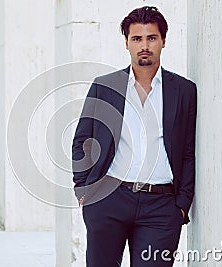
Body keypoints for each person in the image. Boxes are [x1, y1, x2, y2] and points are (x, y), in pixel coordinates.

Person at [72, 6, 197, 267]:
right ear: (126, 43)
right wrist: (84, 190)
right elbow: (82, 139)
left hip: (161, 207)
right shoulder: (105, 86)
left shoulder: (184, 90)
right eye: (137, 38)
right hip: (109, 200)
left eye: (151, 38)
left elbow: (187, 151)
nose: (144, 46)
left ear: (163, 41)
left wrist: (181, 205)